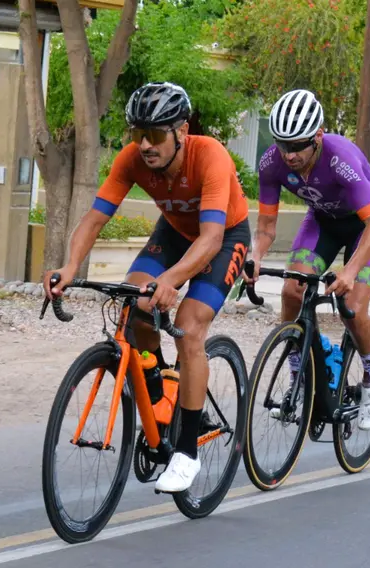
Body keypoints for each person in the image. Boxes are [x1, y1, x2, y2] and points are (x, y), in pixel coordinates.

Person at [43, 82, 251, 493]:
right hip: (173, 233)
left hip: (223, 237)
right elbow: (94, 219)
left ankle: (187, 451)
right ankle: (162, 395)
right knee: (133, 304)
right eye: (137, 134)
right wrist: (69, 266)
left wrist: (172, 279)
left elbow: (209, 240)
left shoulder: (209, 156)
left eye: (155, 135)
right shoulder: (132, 160)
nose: (144, 145)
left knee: (190, 328)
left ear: (182, 131)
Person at [245, 89, 370, 431]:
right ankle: (299, 369)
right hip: (323, 221)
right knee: (291, 290)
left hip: (366, 225)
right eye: (282, 144)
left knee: (351, 306)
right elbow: (266, 227)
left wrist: (351, 270)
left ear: (319, 136)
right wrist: (255, 257)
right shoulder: (272, 162)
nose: (289, 154)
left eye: (297, 146)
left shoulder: (340, 159)